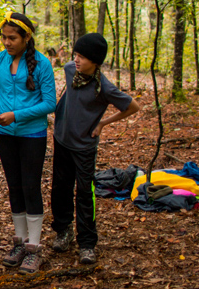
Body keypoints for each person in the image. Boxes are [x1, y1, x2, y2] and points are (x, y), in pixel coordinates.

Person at [0, 12, 56, 273]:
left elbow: (50, 103)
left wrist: (16, 115)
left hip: (32, 134)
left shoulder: (41, 64)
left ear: (26, 37)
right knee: (14, 187)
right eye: (4, 38)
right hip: (5, 135)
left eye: (12, 38)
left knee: (31, 187)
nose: (7, 43)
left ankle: (34, 247)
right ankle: (19, 243)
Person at [51, 33, 140, 264]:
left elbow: (133, 106)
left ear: (95, 61)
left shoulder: (105, 88)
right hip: (61, 140)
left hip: (84, 147)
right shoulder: (71, 70)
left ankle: (87, 244)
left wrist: (103, 123)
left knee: (84, 193)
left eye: (82, 56)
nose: (76, 59)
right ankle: (64, 231)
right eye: (76, 54)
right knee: (60, 188)